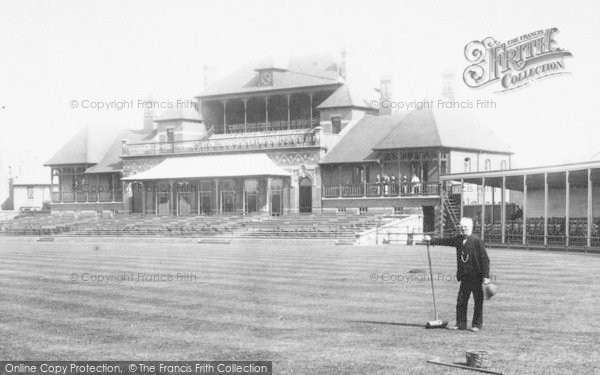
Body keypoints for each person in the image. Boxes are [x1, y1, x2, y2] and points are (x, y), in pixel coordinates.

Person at [425, 217, 491, 332]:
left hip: (476, 277)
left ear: (470, 228)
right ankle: (460, 324)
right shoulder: (459, 239)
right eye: (461, 227)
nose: (463, 229)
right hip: (464, 277)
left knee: (478, 302)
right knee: (461, 301)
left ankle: (476, 325)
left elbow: (485, 259)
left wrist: (486, 276)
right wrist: (431, 240)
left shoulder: (477, 241)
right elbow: (446, 241)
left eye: (465, 227)